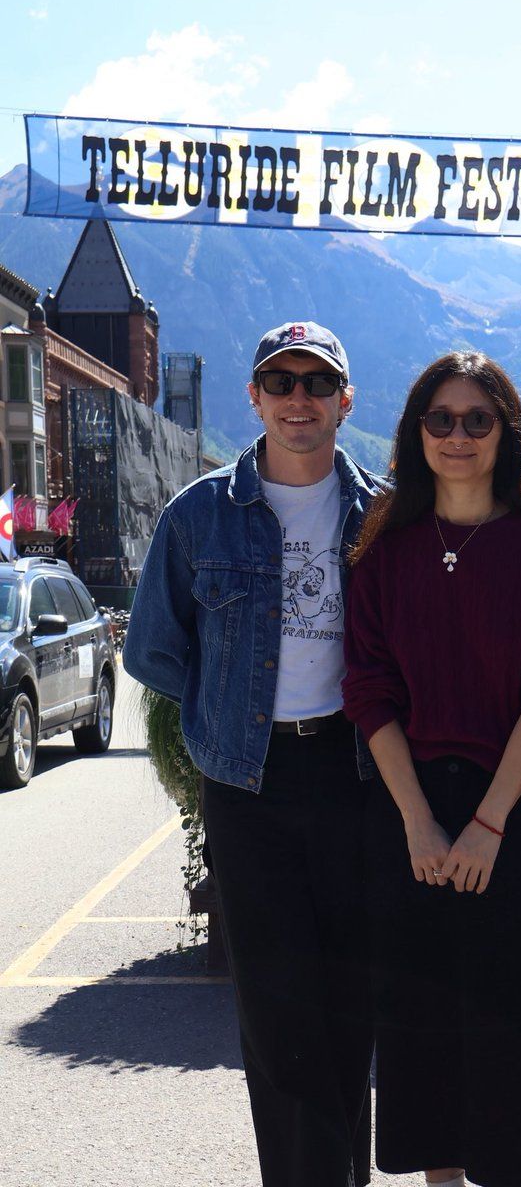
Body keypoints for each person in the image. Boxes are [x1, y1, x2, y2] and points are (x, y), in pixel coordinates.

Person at [123, 321, 384, 1187]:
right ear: (256, 397)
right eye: (282, 381)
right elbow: (154, 649)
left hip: (356, 775)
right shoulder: (199, 514)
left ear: (346, 400)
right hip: (249, 784)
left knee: (350, 1008)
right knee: (276, 1017)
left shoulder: (382, 516)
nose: (299, 397)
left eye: (317, 382)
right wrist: (223, 719)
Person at [342, 351, 521, 1187]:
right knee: (420, 1028)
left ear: (505, 433)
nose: (456, 436)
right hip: (406, 816)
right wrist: (416, 820)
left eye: (477, 420)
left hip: (509, 816)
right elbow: (367, 690)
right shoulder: (383, 548)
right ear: (415, 432)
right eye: (439, 419)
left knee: (511, 1029)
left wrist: (487, 825)